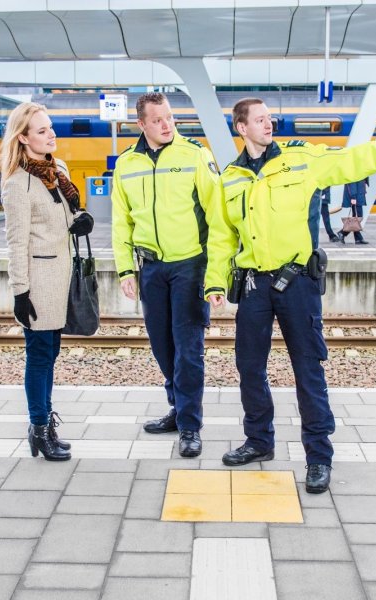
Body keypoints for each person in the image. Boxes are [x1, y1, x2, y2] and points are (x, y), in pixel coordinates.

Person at [204, 97, 376, 493]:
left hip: (298, 283)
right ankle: (259, 441)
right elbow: (221, 235)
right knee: (248, 368)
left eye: (269, 118)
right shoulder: (230, 177)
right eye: (259, 120)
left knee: (308, 370)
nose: (268, 124)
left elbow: (359, 159)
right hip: (254, 286)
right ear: (241, 128)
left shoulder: (303, 159)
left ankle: (318, 456)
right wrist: (214, 282)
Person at [111, 92, 220, 458]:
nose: (166, 124)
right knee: (162, 346)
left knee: (189, 350)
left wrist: (215, 270)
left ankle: (190, 425)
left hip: (190, 265)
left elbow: (217, 216)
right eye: (157, 120)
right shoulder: (126, 164)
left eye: (170, 117)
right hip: (151, 268)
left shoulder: (194, 155)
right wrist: (126, 268)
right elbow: (120, 221)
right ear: (141, 125)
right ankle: (177, 408)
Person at [0, 102, 91, 461]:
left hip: (61, 278)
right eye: (41, 130)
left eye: (50, 127)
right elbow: (16, 243)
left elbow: (69, 213)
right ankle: (38, 428)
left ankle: (45, 424)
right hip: (38, 283)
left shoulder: (59, 169)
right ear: (23, 137)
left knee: (50, 354)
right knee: (39, 356)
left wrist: (81, 219)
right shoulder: (16, 185)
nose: (51, 134)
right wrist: (20, 292)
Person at [337, 178, 369, 245]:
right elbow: (352, 183)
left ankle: (357, 238)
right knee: (357, 218)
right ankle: (342, 233)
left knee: (356, 218)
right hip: (356, 198)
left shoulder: (360, 170)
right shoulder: (356, 170)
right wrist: (353, 197)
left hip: (359, 197)